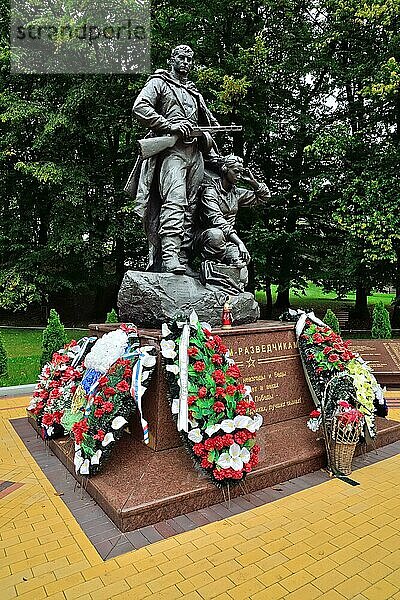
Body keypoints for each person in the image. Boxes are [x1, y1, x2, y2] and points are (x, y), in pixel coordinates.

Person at [132, 44, 219, 275]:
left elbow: (212, 125)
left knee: (191, 206)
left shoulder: (193, 92)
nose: (186, 62)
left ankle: (182, 257)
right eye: (182, 57)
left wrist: (205, 134)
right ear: (172, 59)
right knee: (175, 200)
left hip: (195, 155)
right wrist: (170, 125)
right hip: (172, 153)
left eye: (190, 59)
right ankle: (168, 256)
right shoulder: (159, 83)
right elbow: (140, 107)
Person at [197, 155, 270, 269]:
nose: (239, 176)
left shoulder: (236, 193)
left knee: (241, 267)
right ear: (225, 169)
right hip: (206, 238)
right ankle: (210, 266)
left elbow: (263, 197)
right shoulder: (210, 192)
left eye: (240, 172)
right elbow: (216, 220)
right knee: (216, 235)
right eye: (236, 171)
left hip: (228, 240)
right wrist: (240, 242)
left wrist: (253, 182)